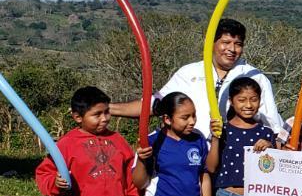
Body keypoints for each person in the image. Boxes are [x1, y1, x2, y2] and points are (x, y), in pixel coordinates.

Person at [108, 18, 286, 141]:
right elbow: (156, 104)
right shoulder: (189, 72)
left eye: (238, 44)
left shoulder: (256, 77)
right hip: (193, 156)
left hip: (236, 161)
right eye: (225, 42)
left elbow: (272, 125)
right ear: (211, 43)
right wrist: (107, 109)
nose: (232, 49)